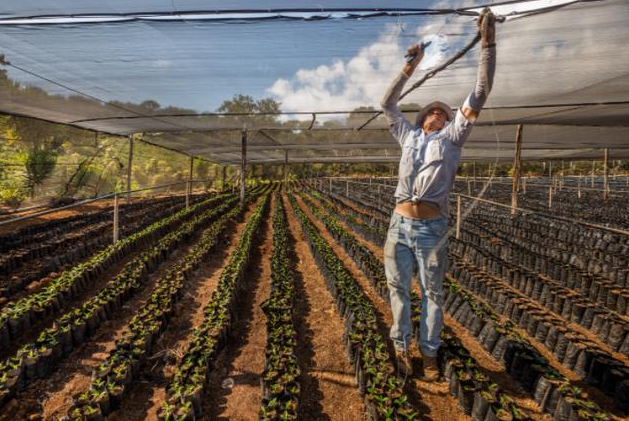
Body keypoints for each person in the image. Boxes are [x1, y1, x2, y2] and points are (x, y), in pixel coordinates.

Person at [380, 9, 496, 381]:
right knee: (398, 290)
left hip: (432, 228)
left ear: (448, 121)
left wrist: (489, 44)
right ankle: (401, 348)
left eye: (441, 113)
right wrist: (411, 66)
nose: (435, 113)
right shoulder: (408, 136)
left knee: (432, 294)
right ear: (422, 118)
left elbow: (480, 92)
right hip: (399, 224)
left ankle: (429, 354)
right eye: (430, 111)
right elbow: (386, 104)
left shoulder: (452, 139)